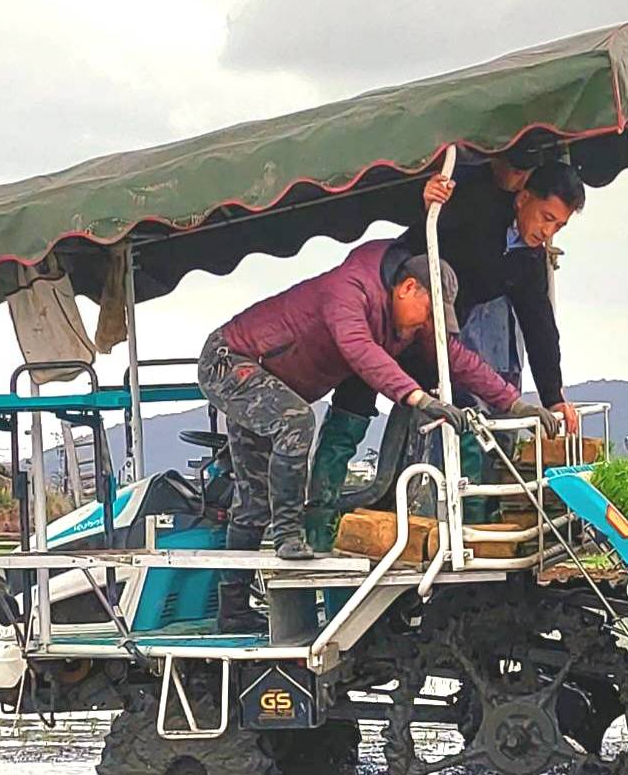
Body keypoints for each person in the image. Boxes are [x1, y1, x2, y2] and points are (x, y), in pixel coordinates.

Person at [198, 239, 559, 634]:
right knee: (297, 422)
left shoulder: (401, 320)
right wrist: (419, 397)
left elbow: (457, 359)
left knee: (253, 500)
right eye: (427, 315)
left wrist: (515, 404)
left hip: (272, 382)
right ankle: (288, 534)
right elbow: (361, 353)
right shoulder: (347, 292)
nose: (425, 327)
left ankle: (231, 609)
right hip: (231, 362)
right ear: (407, 289)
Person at [304, 159, 587, 548]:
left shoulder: (527, 260)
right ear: (523, 198)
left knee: (465, 412)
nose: (547, 231)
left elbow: (539, 328)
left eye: (558, 226)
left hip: (437, 339)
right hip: (393, 311)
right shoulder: (477, 201)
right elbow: (423, 221)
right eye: (546, 217)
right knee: (354, 402)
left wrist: (554, 398)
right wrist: (424, 196)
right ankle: (318, 522)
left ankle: (471, 528)